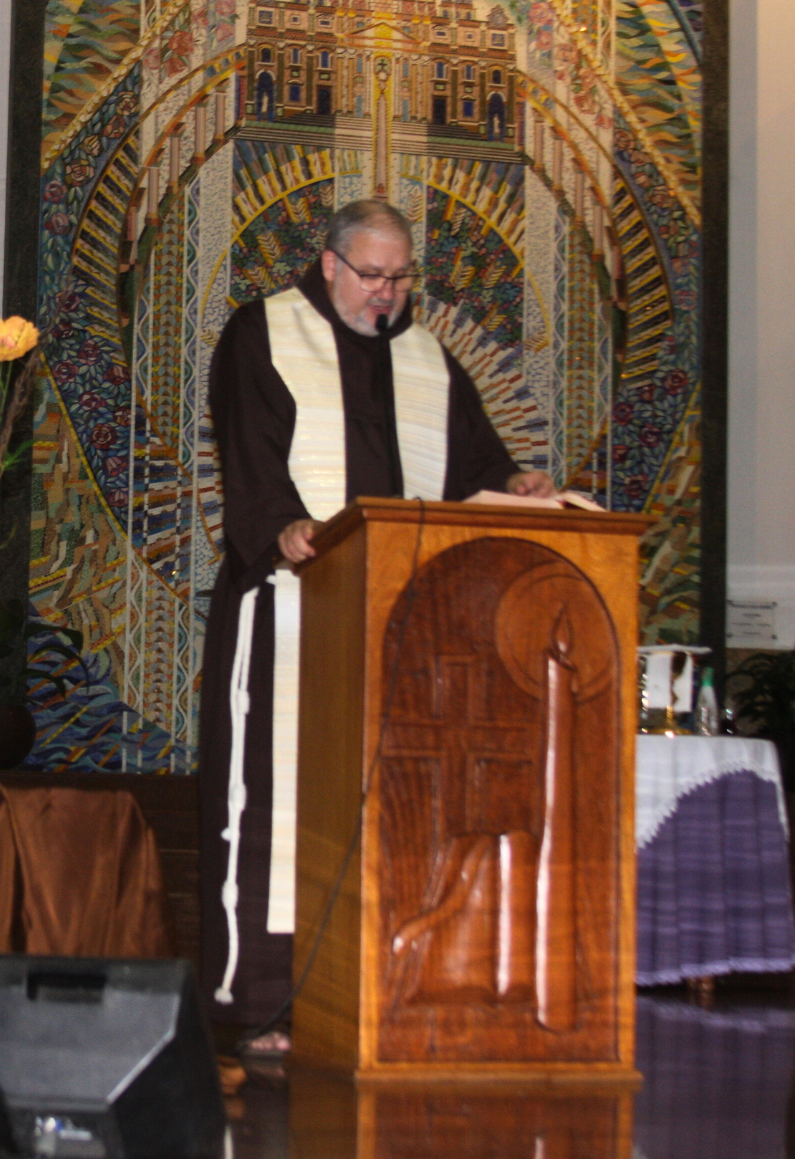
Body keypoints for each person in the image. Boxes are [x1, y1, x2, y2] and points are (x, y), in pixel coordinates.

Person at [197, 198, 556, 1049]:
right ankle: (260, 1005)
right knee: (275, 807)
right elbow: (247, 448)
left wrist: (518, 483)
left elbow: (474, 466)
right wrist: (281, 523)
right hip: (292, 606)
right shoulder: (265, 332)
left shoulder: (430, 359)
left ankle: (376, 988)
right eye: (371, 275)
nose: (386, 294)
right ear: (329, 266)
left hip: (406, 625)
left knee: (398, 806)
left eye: (400, 278)